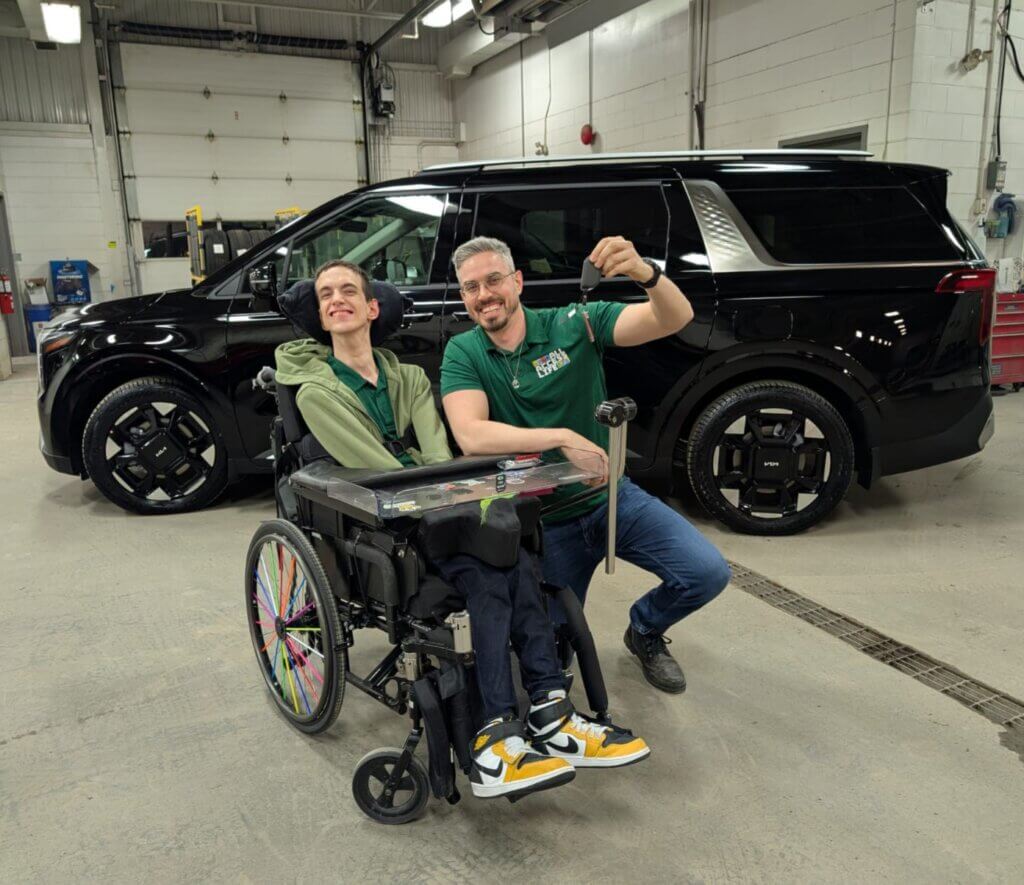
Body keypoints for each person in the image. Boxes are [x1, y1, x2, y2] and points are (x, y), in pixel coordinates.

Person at [274, 258, 650, 801]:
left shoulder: (408, 378)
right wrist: (436, 494)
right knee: (487, 571)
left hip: (434, 502)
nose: (337, 299)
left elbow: (435, 451)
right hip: (379, 518)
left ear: (372, 307)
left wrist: (451, 493)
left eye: (349, 290)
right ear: (320, 313)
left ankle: (550, 710)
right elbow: (371, 465)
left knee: (516, 554)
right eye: (326, 293)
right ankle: (495, 734)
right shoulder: (314, 390)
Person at [440, 236, 731, 695]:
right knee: (552, 653)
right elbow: (471, 434)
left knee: (706, 572)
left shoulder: (577, 323)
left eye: (494, 280)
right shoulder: (464, 351)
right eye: (471, 287)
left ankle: (645, 629)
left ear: (518, 282)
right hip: (544, 523)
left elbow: (675, 318)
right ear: (463, 296)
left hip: (611, 500)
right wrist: (560, 437)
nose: (484, 295)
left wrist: (644, 273)